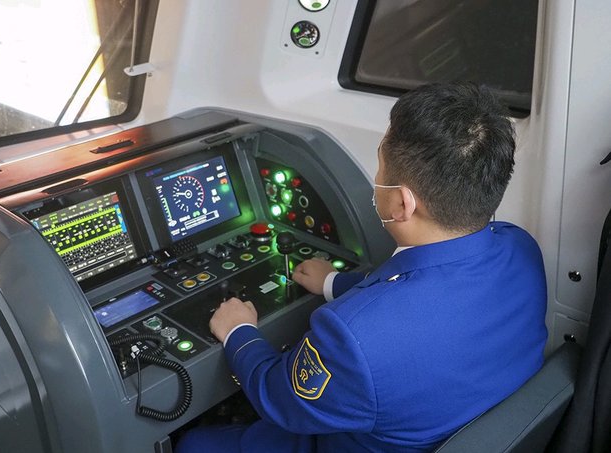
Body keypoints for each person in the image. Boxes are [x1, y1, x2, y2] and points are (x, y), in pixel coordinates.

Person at [176, 82, 547, 452]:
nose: (376, 180)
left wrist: (239, 332)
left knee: (194, 443)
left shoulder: (354, 339)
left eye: (381, 169)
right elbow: (423, 287)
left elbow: (279, 399)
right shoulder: (521, 248)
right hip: (459, 423)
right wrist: (334, 282)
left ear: (401, 204)